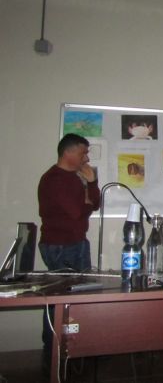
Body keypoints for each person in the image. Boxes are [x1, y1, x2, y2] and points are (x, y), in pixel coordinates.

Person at [38, 133, 100, 370]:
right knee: (60, 302)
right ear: (68, 153)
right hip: (60, 246)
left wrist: (91, 184)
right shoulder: (54, 179)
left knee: (77, 300)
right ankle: (53, 354)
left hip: (76, 242)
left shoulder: (75, 177)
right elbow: (76, 212)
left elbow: (94, 204)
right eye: (83, 153)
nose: (86, 158)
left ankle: (73, 352)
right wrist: (86, 203)